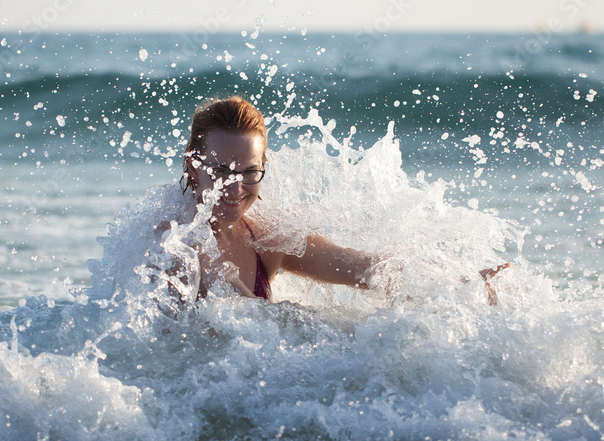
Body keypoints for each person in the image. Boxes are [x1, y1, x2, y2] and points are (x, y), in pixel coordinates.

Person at [176, 95, 508, 304]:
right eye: (221, 171)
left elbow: (366, 269)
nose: (235, 189)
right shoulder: (174, 245)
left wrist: (460, 285)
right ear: (194, 166)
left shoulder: (267, 239)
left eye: (250, 172)